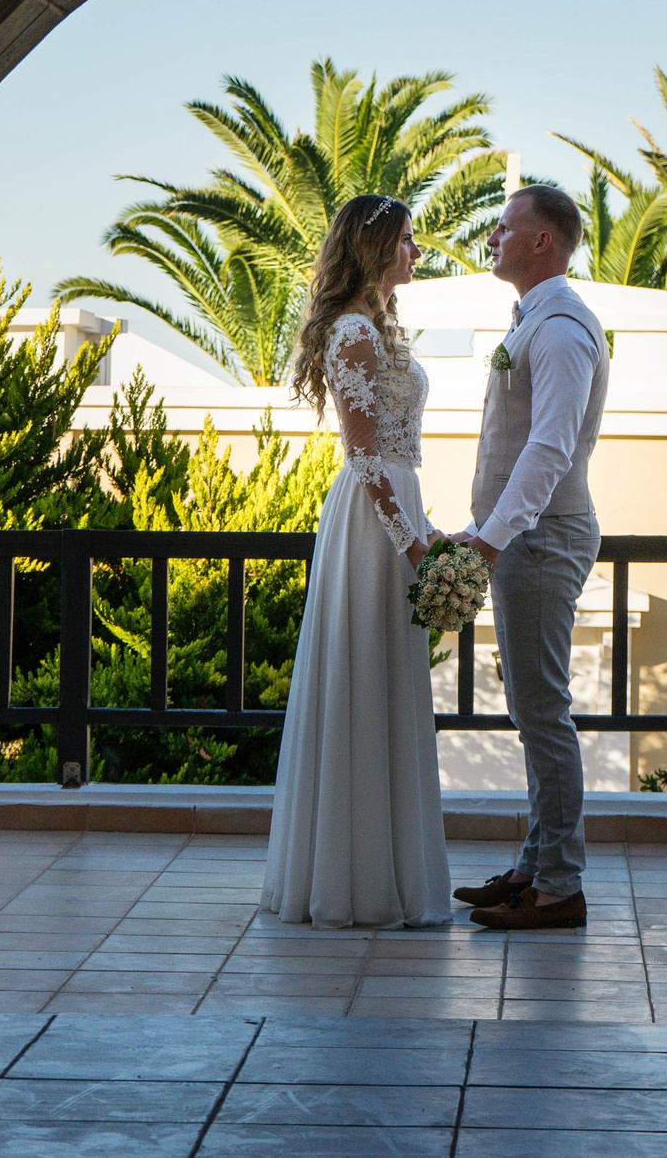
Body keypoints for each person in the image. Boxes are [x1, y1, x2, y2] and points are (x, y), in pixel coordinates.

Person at [261, 194, 453, 928]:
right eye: (406, 241)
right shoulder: (351, 332)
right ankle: (356, 881)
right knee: (364, 676)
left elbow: (391, 455)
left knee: (386, 680)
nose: (416, 252)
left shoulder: (374, 326)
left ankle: (383, 872)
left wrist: (423, 526)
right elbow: (365, 452)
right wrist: (410, 539)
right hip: (374, 520)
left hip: (397, 505)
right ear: (374, 248)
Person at [449, 184, 610, 930]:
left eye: (505, 227)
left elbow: (548, 448)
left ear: (542, 240)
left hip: (540, 540)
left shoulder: (563, 331)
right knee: (531, 709)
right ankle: (533, 866)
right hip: (526, 537)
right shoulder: (537, 322)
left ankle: (558, 885)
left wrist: (489, 538)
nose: (493, 237)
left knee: (542, 712)